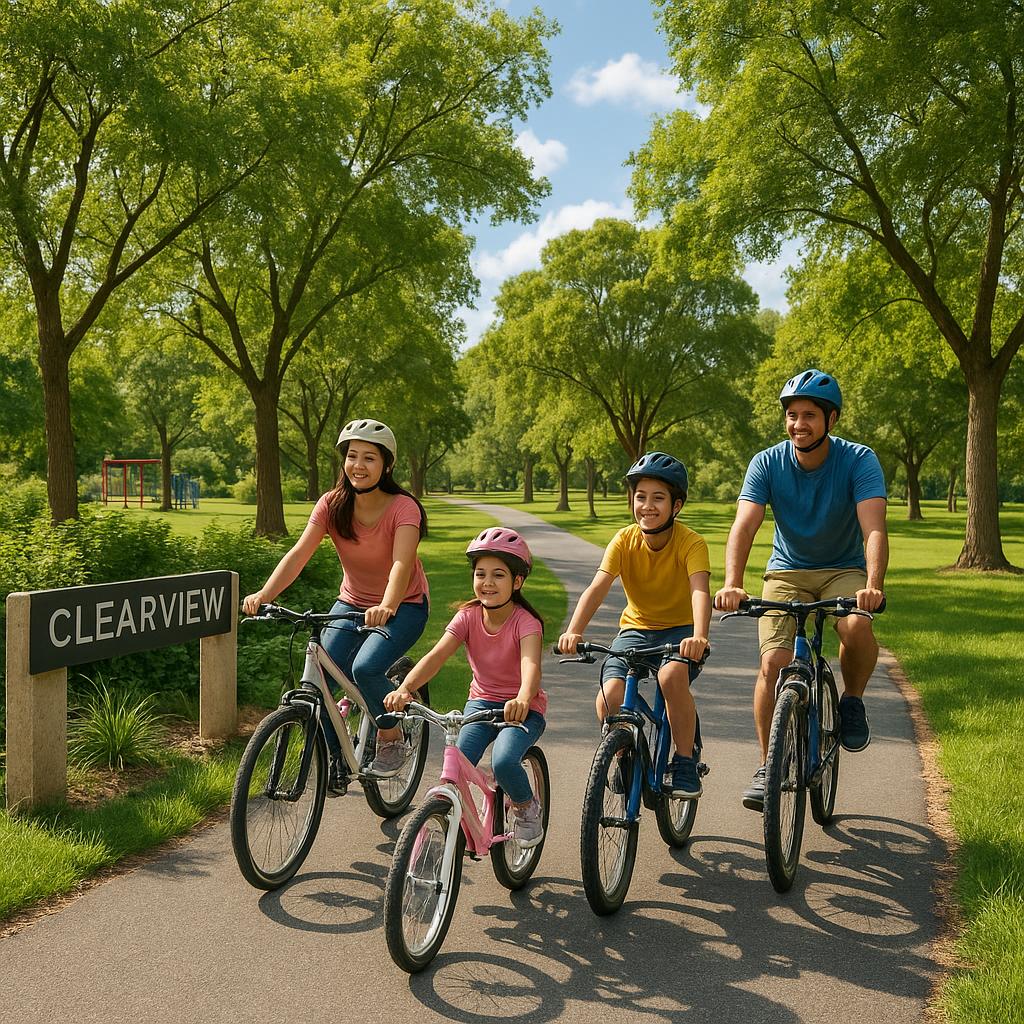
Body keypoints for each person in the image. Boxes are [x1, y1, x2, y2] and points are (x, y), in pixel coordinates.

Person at [714, 368, 888, 812]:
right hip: (787, 571)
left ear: (831, 419)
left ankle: (852, 701)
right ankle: (766, 765)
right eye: (792, 415)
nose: (798, 424)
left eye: (809, 415)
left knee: (857, 627)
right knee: (772, 664)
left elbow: (873, 528)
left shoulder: (859, 460)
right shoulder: (766, 463)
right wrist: (732, 582)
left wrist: (872, 586)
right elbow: (744, 526)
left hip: (842, 569)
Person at [241, 418, 429, 780]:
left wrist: (388, 604)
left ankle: (391, 736)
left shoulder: (403, 508)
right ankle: (336, 759)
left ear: (387, 465)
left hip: (404, 606)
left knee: (365, 668)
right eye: (352, 456)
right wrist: (265, 594)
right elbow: (299, 554)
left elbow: (402, 564)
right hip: (352, 602)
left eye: (369, 458)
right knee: (319, 679)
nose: (358, 465)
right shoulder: (331, 504)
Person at [556, 452, 711, 799]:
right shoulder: (624, 540)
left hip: (681, 631)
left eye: (658, 498)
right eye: (641, 497)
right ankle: (624, 753)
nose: (647, 506)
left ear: (676, 506)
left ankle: (684, 760)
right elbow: (598, 587)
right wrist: (574, 630)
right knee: (608, 699)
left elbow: (700, 590)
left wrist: (700, 636)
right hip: (635, 631)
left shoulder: (691, 543)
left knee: (671, 678)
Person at [384, 528, 546, 847]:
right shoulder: (468, 616)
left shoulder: (526, 622)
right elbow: (436, 656)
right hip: (481, 705)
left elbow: (531, 666)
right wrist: (406, 687)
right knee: (457, 763)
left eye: (498, 575)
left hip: (523, 710)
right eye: (480, 573)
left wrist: (523, 698)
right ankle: (448, 824)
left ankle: (526, 807)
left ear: (517, 582)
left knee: (503, 761)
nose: (487, 582)